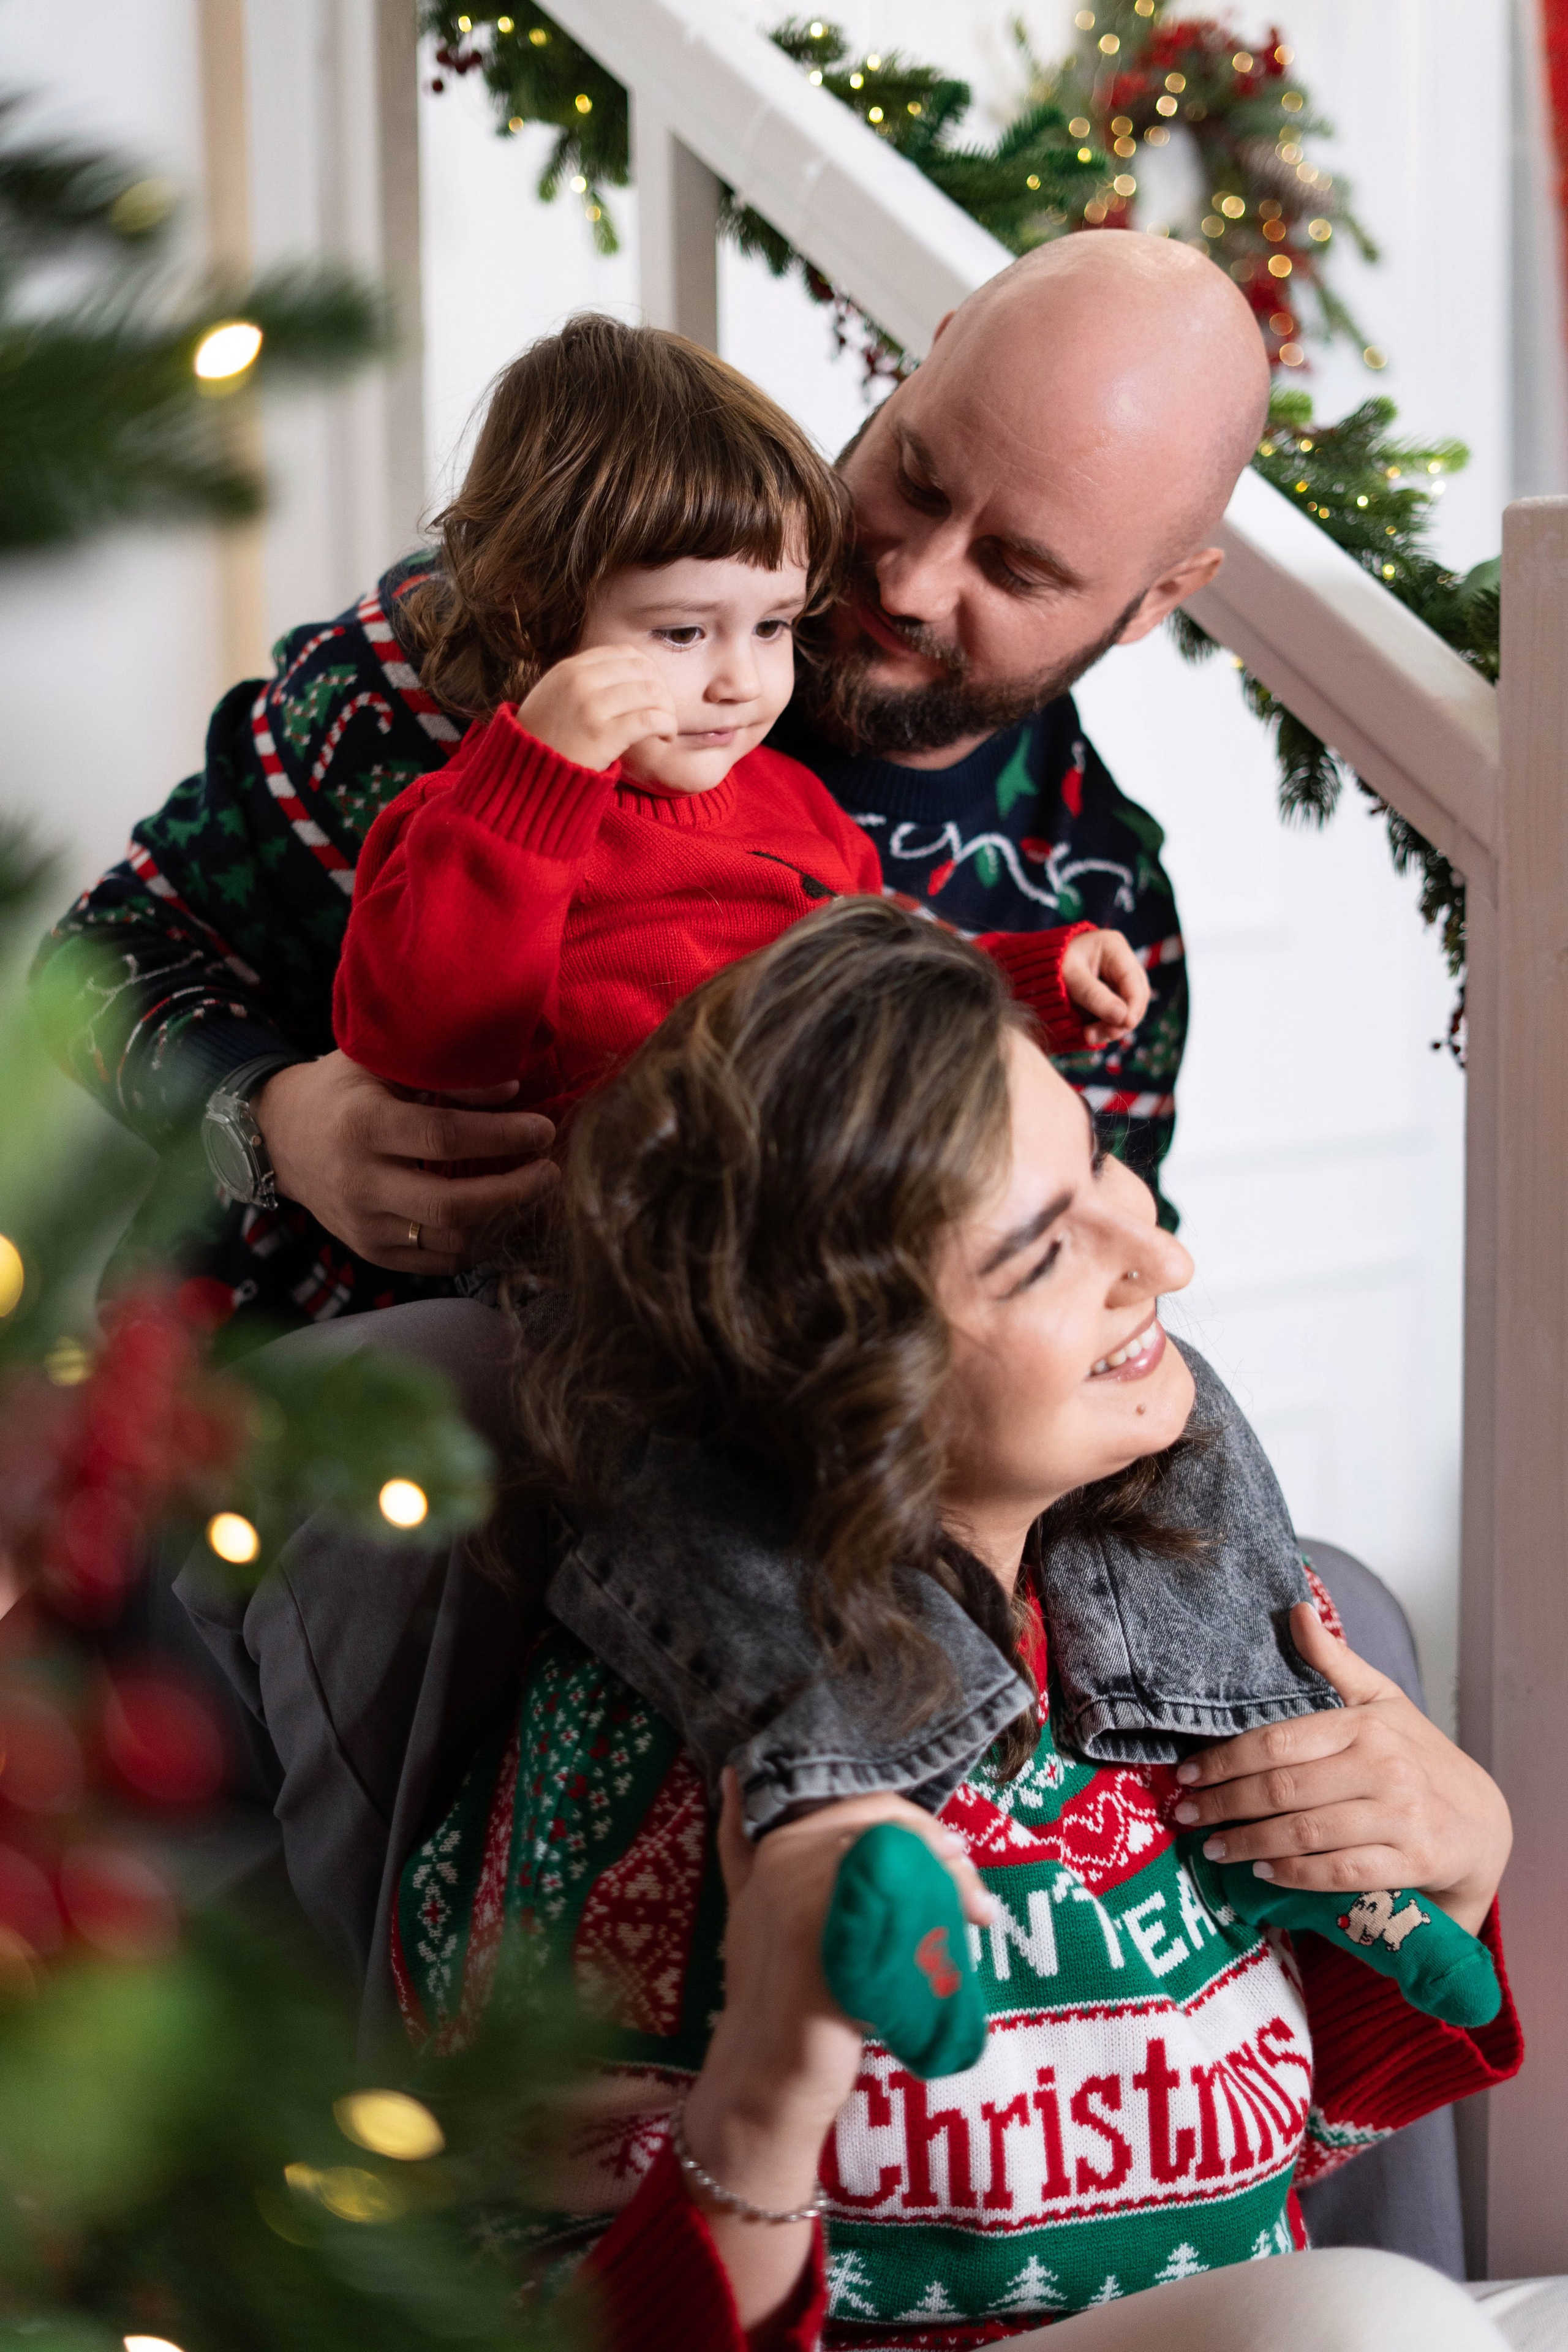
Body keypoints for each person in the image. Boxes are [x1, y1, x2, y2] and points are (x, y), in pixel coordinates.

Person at [342, 902, 1513, 2350]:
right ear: (833, 1365)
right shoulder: (643, 1775)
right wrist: (767, 2096)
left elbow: (1277, 2159)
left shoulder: (1191, 1628)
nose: (1160, 1261)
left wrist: (1455, 1876)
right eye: (1035, 1255)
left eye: (1102, 1169)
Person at [30, 232, 1268, 1329]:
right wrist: (270, 1124)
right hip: (251, 1453)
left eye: (1016, 567)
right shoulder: (476, 643)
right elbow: (98, 957)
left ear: (1158, 597)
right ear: (918, 364)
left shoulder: (1086, 898)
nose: (904, 580)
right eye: (920, 478)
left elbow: (1056, 1331)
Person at [332, 317, 1146, 1128]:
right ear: (529, 607)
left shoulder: (795, 803)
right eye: (683, 632)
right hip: (611, 1222)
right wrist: (538, 780)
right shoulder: (475, 823)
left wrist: (1035, 979)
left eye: (774, 627)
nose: (742, 682)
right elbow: (427, 1041)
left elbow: (887, 983)